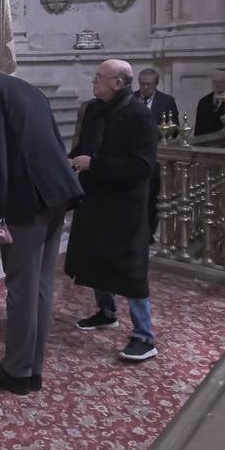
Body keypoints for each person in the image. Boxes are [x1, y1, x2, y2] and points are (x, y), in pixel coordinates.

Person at [0, 54, 83, 396]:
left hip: (26, 201)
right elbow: (54, 141)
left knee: (22, 288)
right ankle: (31, 368)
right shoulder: (27, 88)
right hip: (56, 195)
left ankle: (16, 372)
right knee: (40, 286)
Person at [66, 59, 161, 362]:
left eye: (99, 78)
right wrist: (70, 162)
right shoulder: (94, 110)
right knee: (95, 259)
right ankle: (106, 312)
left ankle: (144, 337)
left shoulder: (141, 117)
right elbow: (83, 146)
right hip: (95, 198)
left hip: (125, 206)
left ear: (118, 84)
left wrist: (94, 164)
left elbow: (142, 167)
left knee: (130, 271)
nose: (93, 82)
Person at [136, 68, 178, 240]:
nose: (144, 87)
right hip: (134, 155)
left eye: (148, 84)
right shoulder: (131, 98)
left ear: (156, 84)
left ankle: (148, 232)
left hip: (155, 156)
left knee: (152, 195)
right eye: (142, 84)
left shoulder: (166, 101)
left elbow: (174, 129)